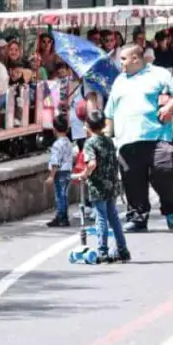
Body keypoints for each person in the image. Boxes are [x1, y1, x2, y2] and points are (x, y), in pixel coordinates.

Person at [104, 44, 173, 232]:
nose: (121, 63)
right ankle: (137, 217)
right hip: (127, 139)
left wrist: (168, 108)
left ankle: (171, 207)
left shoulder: (159, 74)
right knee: (132, 180)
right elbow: (109, 113)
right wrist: (106, 140)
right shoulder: (119, 81)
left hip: (158, 135)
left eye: (123, 59)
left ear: (136, 58)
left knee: (163, 172)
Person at [72, 109, 129, 263]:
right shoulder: (109, 141)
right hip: (112, 184)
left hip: (98, 186)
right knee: (113, 217)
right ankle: (123, 249)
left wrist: (84, 174)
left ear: (88, 126)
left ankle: (102, 251)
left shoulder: (89, 143)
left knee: (101, 217)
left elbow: (92, 163)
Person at [46, 116, 74, 227]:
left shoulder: (57, 145)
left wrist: (51, 176)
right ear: (67, 129)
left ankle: (61, 218)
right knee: (64, 195)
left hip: (60, 172)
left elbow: (55, 162)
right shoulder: (68, 142)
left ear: (54, 129)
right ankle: (63, 217)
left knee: (60, 195)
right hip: (68, 171)